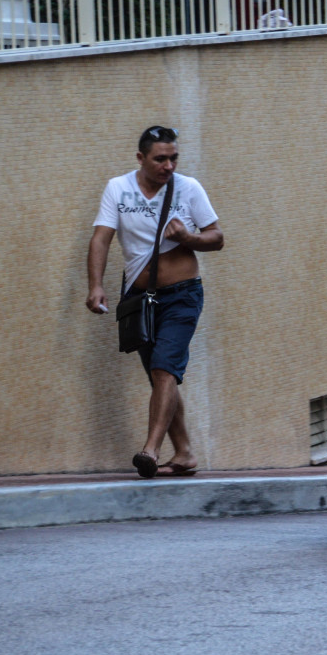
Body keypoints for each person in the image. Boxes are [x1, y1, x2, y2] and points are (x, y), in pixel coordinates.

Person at [85, 126, 224, 478]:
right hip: (139, 297)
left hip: (182, 294)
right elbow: (101, 239)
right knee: (160, 375)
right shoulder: (119, 188)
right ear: (141, 158)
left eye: (173, 158)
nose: (168, 166)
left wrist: (189, 237)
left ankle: (150, 450)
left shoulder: (188, 188)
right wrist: (96, 286)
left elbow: (217, 237)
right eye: (160, 159)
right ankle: (185, 453)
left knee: (164, 368)